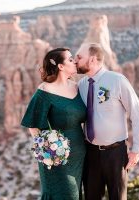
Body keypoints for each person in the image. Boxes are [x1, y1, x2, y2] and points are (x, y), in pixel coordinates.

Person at [75, 43, 139, 200]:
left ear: (92, 59)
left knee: (118, 197)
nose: (75, 61)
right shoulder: (81, 85)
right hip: (90, 153)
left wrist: (137, 149)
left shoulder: (117, 80)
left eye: (79, 57)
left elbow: (136, 114)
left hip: (115, 153)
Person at [21, 47, 87, 199]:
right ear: (61, 66)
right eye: (70, 59)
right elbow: (32, 124)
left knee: (75, 195)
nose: (75, 61)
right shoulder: (45, 91)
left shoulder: (77, 87)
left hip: (78, 155)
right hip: (56, 158)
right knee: (65, 194)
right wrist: (48, 151)